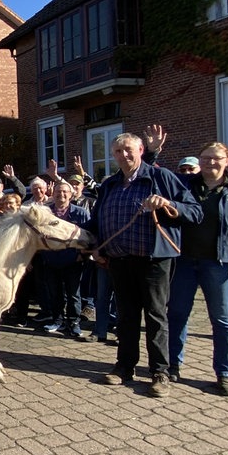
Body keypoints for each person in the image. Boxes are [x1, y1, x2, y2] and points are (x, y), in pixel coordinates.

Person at [88, 131, 202, 398]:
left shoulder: (160, 178)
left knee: (155, 315)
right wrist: (91, 245)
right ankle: (124, 367)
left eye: (128, 149)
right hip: (119, 259)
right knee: (126, 315)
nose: (123, 155)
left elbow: (194, 211)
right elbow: (96, 220)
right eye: (118, 151)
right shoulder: (110, 184)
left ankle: (160, 372)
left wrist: (167, 203)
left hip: (154, 260)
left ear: (141, 150)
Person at [167, 141, 228, 397]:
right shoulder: (185, 185)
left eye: (216, 158)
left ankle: (226, 374)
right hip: (184, 262)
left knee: (223, 320)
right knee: (176, 315)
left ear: (227, 160)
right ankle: (172, 364)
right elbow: (158, 176)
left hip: (220, 265)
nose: (211, 162)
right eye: (206, 158)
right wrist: (153, 151)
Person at [38, 182, 91, 339]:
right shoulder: (46, 213)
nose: (61, 194)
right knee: (55, 293)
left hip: (73, 260)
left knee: (73, 294)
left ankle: (74, 323)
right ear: (53, 194)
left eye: (65, 192)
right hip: (51, 260)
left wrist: (82, 255)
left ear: (71, 194)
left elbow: (88, 234)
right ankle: (57, 320)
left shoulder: (81, 213)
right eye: (58, 192)